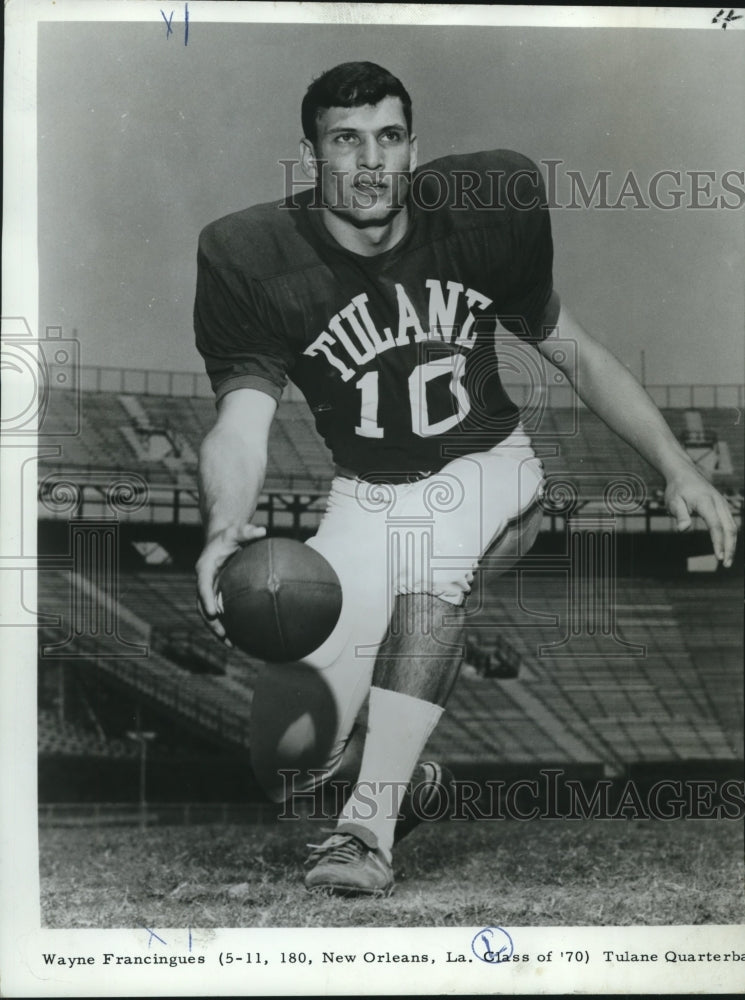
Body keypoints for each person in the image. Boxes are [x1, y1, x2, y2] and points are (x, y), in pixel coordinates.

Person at [194, 61, 737, 896]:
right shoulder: (249, 256)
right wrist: (224, 528)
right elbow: (241, 424)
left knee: (433, 572)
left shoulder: (486, 208)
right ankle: (407, 784)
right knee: (289, 761)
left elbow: (577, 353)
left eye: (388, 137)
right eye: (346, 141)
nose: (370, 162)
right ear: (310, 154)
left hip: (484, 465)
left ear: (414, 146)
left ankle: (367, 834)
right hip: (365, 494)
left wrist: (675, 467)